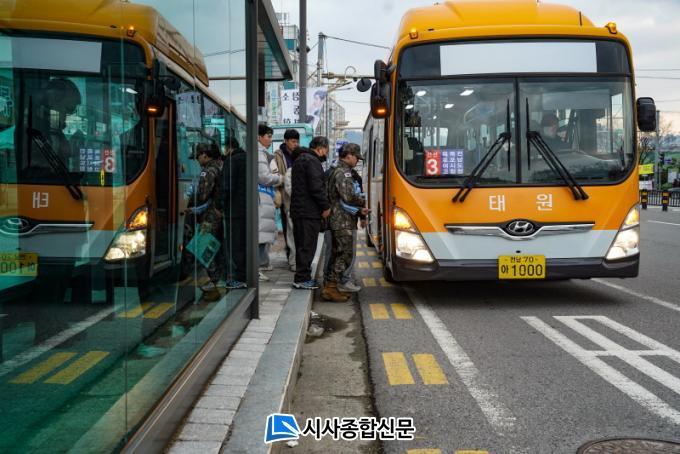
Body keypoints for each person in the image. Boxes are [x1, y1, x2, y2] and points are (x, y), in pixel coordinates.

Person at [323, 143, 368, 302]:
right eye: (356, 157)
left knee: (338, 253)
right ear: (348, 155)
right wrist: (362, 201)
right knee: (345, 253)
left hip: (340, 219)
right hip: (342, 220)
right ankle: (330, 287)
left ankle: (331, 287)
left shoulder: (338, 170)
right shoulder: (343, 173)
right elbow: (348, 196)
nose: (357, 161)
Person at [181, 142, 224, 293]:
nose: (197, 161)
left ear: (204, 155)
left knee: (202, 245)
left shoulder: (208, 171)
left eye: (198, 157)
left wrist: (191, 201)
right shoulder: (218, 166)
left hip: (211, 215)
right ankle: (218, 278)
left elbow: (203, 195)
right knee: (213, 246)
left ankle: (215, 280)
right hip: (215, 213)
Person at [290, 136, 331, 289]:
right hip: (308, 212)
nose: (326, 153)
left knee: (302, 245)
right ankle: (302, 279)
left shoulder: (301, 159)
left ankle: (302, 277)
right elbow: (316, 187)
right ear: (320, 148)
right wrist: (325, 207)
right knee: (307, 246)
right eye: (326, 150)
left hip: (300, 211)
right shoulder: (312, 161)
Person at [221, 136, 248, 289]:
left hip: (234, 210)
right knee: (244, 242)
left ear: (228, 147)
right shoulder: (247, 158)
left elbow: (227, 187)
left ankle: (239, 277)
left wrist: (220, 205)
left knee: (235, 244)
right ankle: (246, 275)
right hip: (247, 209)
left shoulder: (231, 161)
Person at [272, 129, 299, 272]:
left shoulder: (298, 154)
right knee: (287, 226)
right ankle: (290, 256)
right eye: (293, 141)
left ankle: (293, 257)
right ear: (286, 141)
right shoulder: (278, 155)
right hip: (284, 195)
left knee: (294, 229)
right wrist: (285, 179)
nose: (295, 144)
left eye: (297, 141)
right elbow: (275, 174)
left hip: (296, 196)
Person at [257, 124, 281, 282]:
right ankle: (256, 269)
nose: (270, 140)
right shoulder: (259, 153)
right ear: (259, 137)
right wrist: (280, 178)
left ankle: (260, 265)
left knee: (262, 235)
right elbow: (264, 177)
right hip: (261, 199)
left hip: (264, 199)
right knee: (259, 235)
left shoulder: (263, 153)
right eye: (268, 136)